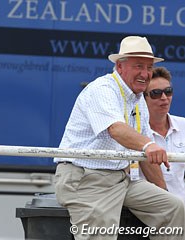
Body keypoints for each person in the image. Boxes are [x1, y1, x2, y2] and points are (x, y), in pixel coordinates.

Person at [54, 36, 184, 240]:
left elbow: (145, 155)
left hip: (122, 179)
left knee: (174, 209)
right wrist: (149, 145)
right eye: (138, 66)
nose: (145, 74)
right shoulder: (103, 89)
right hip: (88, 178)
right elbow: (116, 129)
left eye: (149, 67)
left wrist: (163, 192)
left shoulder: (138, 98)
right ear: (119, 66)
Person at [141, 66, 185, 202]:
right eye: (156, 93)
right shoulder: (135, 131)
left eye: (168, 91)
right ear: (143, 98)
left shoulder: (183, 125)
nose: (164, 98)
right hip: (147, 212)